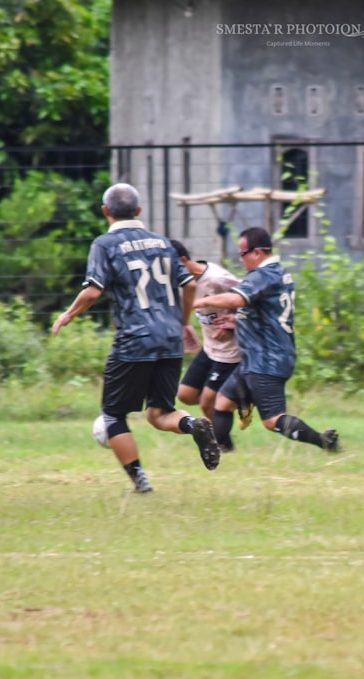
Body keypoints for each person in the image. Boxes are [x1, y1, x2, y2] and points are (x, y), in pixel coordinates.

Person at [50, 183, 220, 494]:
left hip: (134, 339)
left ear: (105, 212)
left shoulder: (105, 244)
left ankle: (141, 483)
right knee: (160, 413)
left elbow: (92, 290)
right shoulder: (162, 242)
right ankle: (193, 424)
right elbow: (191, 286)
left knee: (114, 415)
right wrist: (182, 325)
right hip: (169, 337)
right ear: (139, 211)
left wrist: (67, 315)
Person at [193, 226, 340, 453]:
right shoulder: (278, 272)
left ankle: (323, 441)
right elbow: (263, 309)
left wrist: (201, 302)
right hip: (259, 356)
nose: (240, 259)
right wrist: (237, 321)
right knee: (222, 402)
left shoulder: (264, 274)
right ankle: (223, 452)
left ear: (258, 252)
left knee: (272, 420)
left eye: (243, 254)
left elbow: (237, 299)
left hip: (266, 359)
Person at [171, 239, 244, 434]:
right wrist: (185, 328)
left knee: (206, 402)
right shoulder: (184, 283)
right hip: (210, 349)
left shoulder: (217, 279)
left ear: (183, 260)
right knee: (185, 394)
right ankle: (234, 400)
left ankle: (221, 444)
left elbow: (253, 299)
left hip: (231, 352)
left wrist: (234, 321)